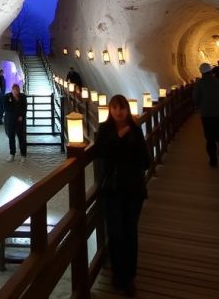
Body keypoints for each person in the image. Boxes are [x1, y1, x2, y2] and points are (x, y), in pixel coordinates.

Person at [95, 94, 150, 297]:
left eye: (122, 108)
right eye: (115, 108)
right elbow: (101, 152)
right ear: (110, 110)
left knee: (130, 233)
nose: (119, 112)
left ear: (127, 110)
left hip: (133, 189)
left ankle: (129, 277)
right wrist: (119, 139)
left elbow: (145, 160)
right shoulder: (105, 130)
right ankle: (118, 274)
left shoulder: (135, 130)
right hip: (114, 189)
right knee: (116, 233)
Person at [193, 62, 219, 167]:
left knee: (210, 138)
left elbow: (195, 99)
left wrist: (200, 104)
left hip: (206, 114)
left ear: (201, 72)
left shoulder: (199, 84)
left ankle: (213, 160)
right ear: (211, 71)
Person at [3, 83, 28, 163]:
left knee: (21, 138)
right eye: (14, 90)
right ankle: (12, 154)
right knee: (11, 137)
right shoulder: (7, 97)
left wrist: (21, 115)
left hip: (20, 121)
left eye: (17, 90)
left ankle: (23, 155)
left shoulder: (23, 97)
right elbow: (6, 108)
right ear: (12, 90)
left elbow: (24, 108)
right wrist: (15, 113)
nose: (16, 92)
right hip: (10, 121)